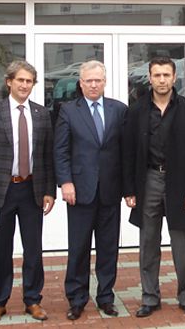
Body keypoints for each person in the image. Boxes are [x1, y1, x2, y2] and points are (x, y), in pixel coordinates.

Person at [0, 60, 56, 324]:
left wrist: (48, 191)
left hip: (31, 190)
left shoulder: (42, 114)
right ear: (9, 82)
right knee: (1, 249)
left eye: (29, 81)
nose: (24, 85)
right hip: (1, 192)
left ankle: (33, 299)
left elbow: (47, 156)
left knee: (33, 249)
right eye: (20, 80)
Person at [123, 56, 185, 318]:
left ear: (174, 78)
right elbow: (127, 154)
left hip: (180, 184)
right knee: (148, 242)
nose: (161, 80)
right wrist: (129, 190)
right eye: (157, 75)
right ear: (149, 78)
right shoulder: (136, 111)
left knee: (182, 244)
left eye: (166, 75)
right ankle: (150, 297)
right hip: (148, 181)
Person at [54, 60, 127, 320]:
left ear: (105, 81)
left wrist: (129, 189)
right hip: (80, 192)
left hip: (110, 192)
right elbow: (60, 150)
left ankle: (106, 296)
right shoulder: (68, 111)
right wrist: (65, 182)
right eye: (88, 80)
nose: (94, 84)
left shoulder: (119, 110)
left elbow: (125, 152)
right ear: (81, 83)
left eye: (98, 80)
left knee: (108, 249)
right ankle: (77, 298)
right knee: (79, 248)